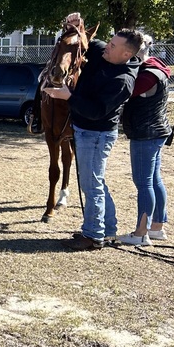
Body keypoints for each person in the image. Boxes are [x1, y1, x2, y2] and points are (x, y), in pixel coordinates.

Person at [44, 27, 142, 250]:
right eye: (110, 42)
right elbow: (85, 41)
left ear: (126, 54)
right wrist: (75, 23)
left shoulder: (122, 80)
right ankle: (107, 228)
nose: (107, 46)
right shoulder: (103, 52)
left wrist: (68, 97)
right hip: (85, 131)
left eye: (113, 46)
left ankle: (93, 235)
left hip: (96, 135)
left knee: (91, 185)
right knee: (95, 182)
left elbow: (96, 111)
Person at [117, 35, 172, 246]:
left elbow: (124, 93)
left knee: (144, 182)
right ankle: (157, 227)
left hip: (146, 133)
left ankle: (141, 232)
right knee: (154, 179)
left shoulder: (147, 75)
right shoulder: (154, 68)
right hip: (154, 132)